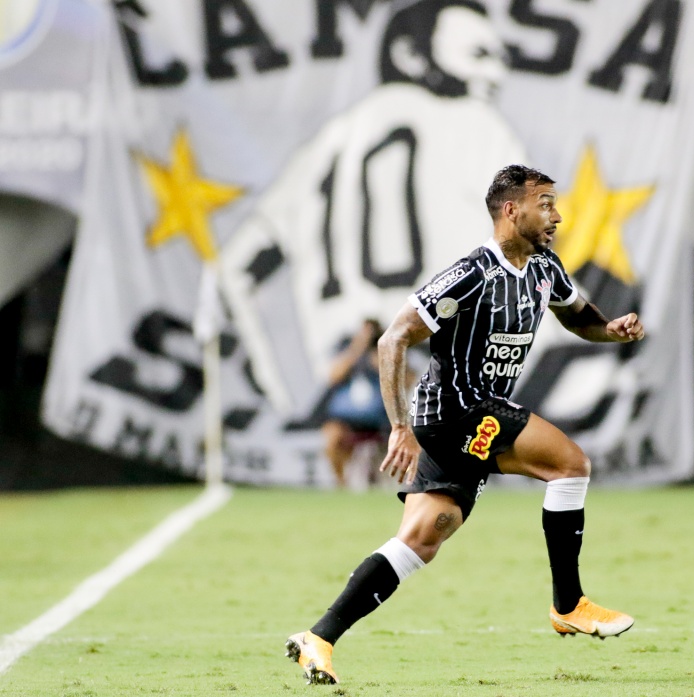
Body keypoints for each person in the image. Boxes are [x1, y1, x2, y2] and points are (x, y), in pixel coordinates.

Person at [285, 165, 646, 685]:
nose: (557, 215)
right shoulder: (472, 273)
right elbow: (393, 340)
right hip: (457, 413)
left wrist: (611, 330)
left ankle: (318, 639)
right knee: (570, 465)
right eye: (545, 203)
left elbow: (577, 317)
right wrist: (398, 427)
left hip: (468, 421)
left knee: (422, 538)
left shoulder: (544, 267)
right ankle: (569, 604)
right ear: (511, 210)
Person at [217, 0, 525, 416]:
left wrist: (278, 390)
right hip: (436, 360)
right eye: (478, 55)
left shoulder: (328, 142)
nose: (496, 74)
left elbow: (235, 267)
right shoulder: (476, 124)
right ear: (412, 55)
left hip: (341, 365)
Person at [321, 319, 389, 488]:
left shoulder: (386, 352)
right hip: (346, 419)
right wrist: (359, 346)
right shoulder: (349, 353)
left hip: (380, 420)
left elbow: (401, 379)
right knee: (332, 437)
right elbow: (333, 376)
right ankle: (340, 482)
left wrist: (380, 348)